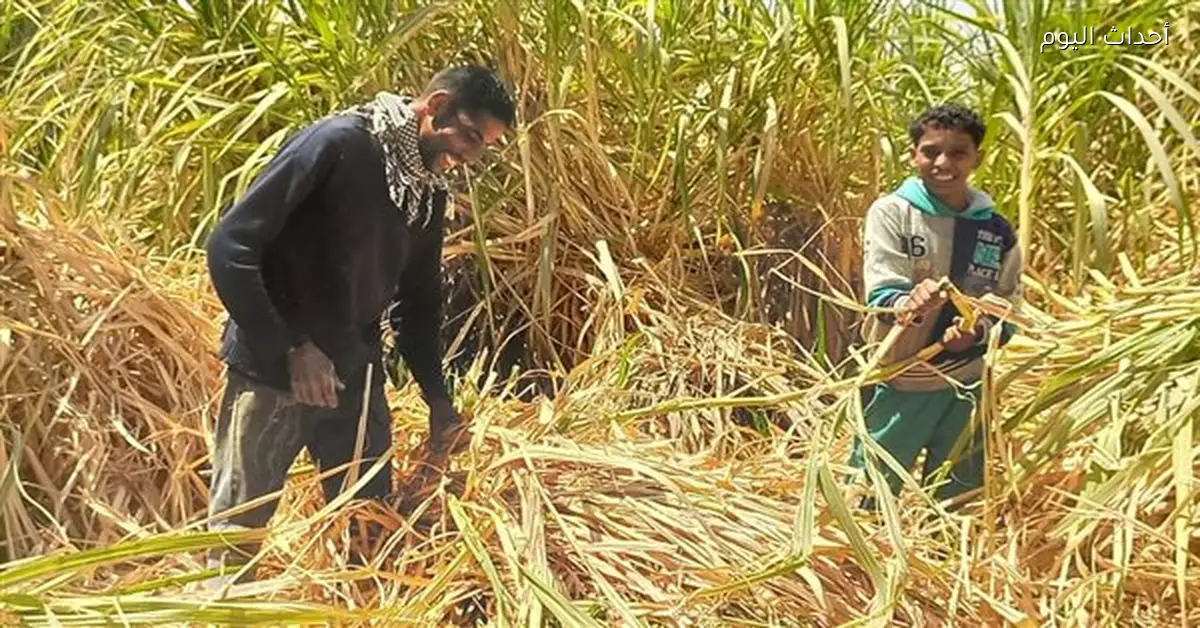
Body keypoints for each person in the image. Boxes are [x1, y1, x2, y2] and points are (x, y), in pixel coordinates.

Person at [202, 65, 516, 584]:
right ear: (435, 105)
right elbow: (231, 247)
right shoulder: (340, 144)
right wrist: (293, 348)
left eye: (484, 147)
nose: (471, 157)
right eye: (470, 137)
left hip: (353, 376)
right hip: (273, 373)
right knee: (236, 541)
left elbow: (417, 306)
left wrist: (438, 399)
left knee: (370, 534)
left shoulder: (425, 190)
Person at [849, 103, 1023, 509]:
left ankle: (944, 565)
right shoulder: (893, 213)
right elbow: (882, 289)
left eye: (958, 152)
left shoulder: (996, 230)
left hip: (968, 383)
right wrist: (912, 304)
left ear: (976, 158)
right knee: (868, 494)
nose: (943, 163)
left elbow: (1009, 305)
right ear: (913, 155)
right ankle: (855, 566)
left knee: (958, 501)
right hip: (901, 377)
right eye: (930, 151)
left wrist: (976, 333)